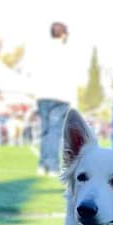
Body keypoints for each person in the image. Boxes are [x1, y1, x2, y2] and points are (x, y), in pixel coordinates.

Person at [32, 22, 77, 176]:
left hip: (42, 95)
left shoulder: (41, 50)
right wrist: (73, 100)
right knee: (54, 132)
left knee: (45, 131)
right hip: (60, 96)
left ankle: (42, 165)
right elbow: (71, 78)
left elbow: (34, 73)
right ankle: (52, 166)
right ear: (63, 34)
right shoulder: (67, 52)